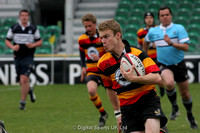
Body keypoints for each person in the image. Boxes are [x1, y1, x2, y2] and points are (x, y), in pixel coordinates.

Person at [97, 19, 167, 133]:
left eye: (106, 37)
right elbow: (109, 89)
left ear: (118, 35)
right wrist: (117, 114)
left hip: (147, 101)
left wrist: (134, 79)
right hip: (127, 109)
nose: (103, 41)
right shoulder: (103, 64)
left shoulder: (137, 53)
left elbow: (157, 78)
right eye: (101, 38)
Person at [144, 6, 198, 129]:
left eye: (167, 14)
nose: (165, 17)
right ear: (159, 18)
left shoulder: (179, 28)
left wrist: (171, 43)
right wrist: (144, 56)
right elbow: (145, 42)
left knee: (185, 94)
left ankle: (190, 116)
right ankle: (174, 106)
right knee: (168, 83)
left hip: (179, 64)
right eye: (162, 15)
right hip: (163, 64)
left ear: (171, 15)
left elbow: (186, 47)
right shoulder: (153, 31)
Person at [5, 9, 42, 110]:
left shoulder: (33, 28)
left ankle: (22, 103)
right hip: (17, 57)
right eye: (22, 15)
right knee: (22, 82)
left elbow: (40, 42)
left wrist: (33, 45)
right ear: (20, 17)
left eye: (26, 15)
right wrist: (13, 47)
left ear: (28, 17)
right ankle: (29, 90)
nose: (24, 17)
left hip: (28, 57)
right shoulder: (14, 28)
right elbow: (7, 41)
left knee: (24, 79)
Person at [78, 14, 108, 127]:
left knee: (115, 95)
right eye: (85, 27)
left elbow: (109, 53)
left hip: (105, 70)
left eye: (90, 26)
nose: (88, 29)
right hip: (92, 70)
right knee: (91, 91)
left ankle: (123, 115)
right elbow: (81, 53)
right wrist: (83, 67)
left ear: (95, 24)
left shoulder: (103, 37)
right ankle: (103, 114)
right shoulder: (82, 39)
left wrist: (100, 59)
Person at [137, 11, 165, 97]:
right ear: (144, 20)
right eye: (147, 18)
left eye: (151, 18)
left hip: (158, 58)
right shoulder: (140, 32)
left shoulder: (159, 29)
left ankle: (161, 88)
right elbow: (140, 46)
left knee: (159, 78)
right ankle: (150, 94)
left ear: (154, 19)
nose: (149, 20)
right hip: (147, 58)